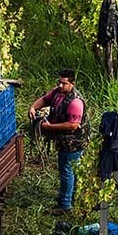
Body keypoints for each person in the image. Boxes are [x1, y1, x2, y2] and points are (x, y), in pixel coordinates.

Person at [28, 68, 87, 213]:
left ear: (72, 83)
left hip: (73, 143)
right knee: (70, 170)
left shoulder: (75, 102)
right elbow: (44, 100)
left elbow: (73, 125)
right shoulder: (57, 92)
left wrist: (49, 127)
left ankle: (65, 205)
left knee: (67, 170)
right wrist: (33, 108)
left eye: (64, 83)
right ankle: (73, 197)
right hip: (63, 140)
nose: (60, 86)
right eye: (59, 82)